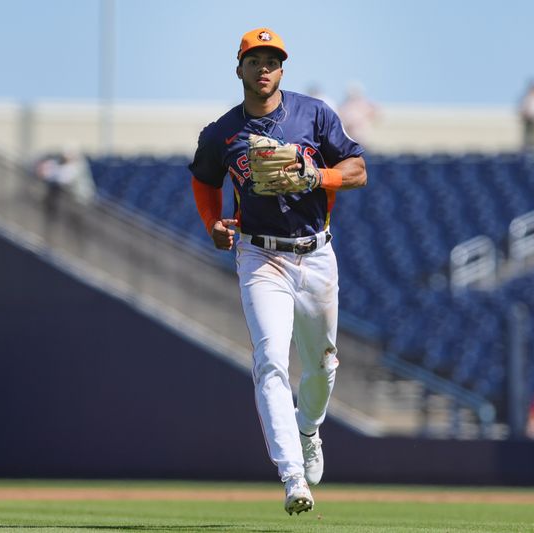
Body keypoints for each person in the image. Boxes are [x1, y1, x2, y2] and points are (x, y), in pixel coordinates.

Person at [188, 27, 367, 515]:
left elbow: (358, 170)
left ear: (282, 69)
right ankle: (292, 477)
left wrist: (318, 174)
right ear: (239, 68)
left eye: (272, 60)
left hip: (316, 253)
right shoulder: (222, 132)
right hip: (260, 255)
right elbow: (204, 181)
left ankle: (308, 430)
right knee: (270, 361)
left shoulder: (313, 114)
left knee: (323, 367)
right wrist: (212, 224)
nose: (264, 68)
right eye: (254, 60)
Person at [337, 81, 378, 146]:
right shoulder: (345, 106)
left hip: (361, 137)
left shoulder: (365, 104)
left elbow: (376, 112)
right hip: (349, 138)